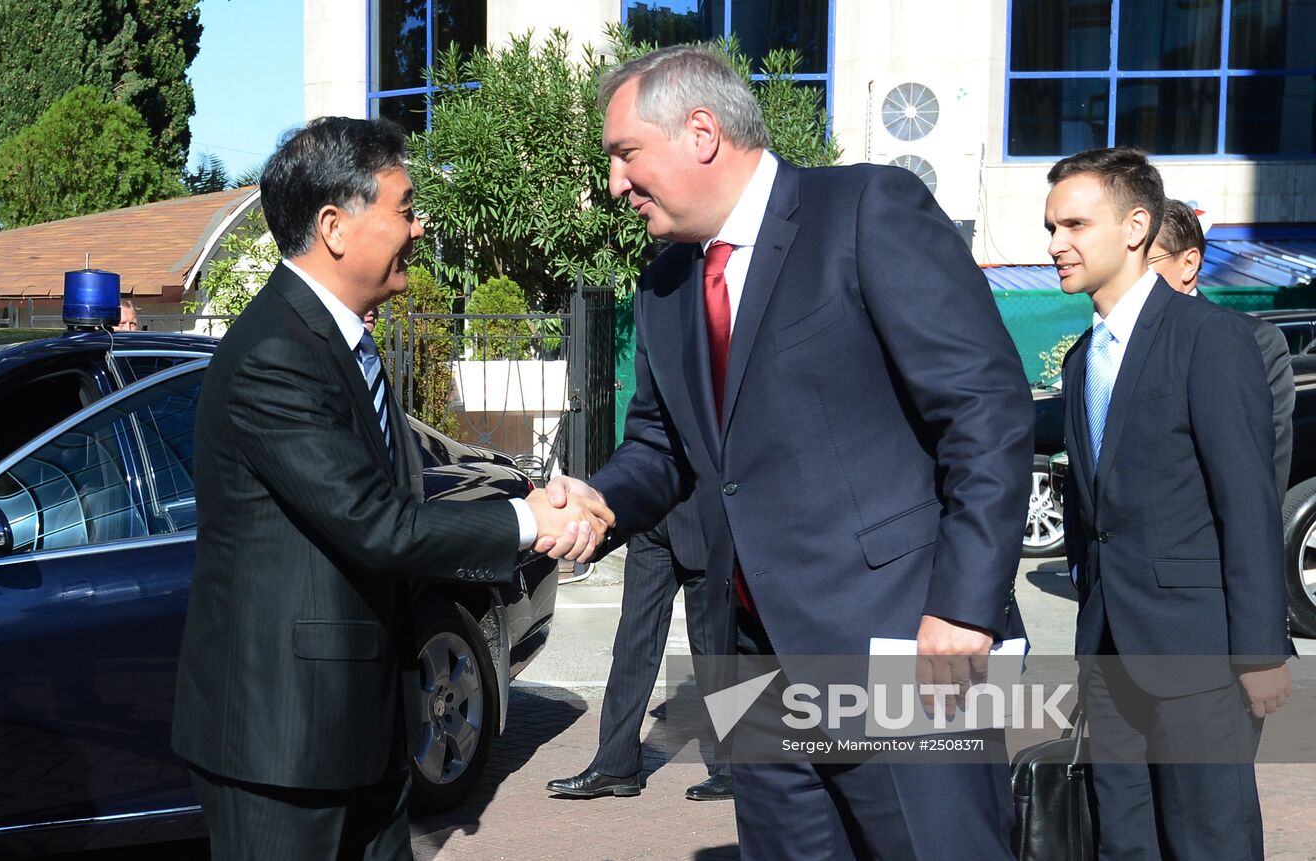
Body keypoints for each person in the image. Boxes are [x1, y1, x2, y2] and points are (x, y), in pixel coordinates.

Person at [544, 45, 1034, 859]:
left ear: (701, 132)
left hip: (912, 649)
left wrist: (964, 608)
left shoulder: (867, 209)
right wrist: (599, 503)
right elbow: (661, 446)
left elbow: (983, 409)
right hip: (756, 663)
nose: (615, 184)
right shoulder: (663, 289)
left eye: (625, 154)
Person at [171, 116, 613, 861]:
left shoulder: (343, 339)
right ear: (335, 226)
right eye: (405, 207)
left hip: (365, 731)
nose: (419, 225)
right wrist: (527, 521)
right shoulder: (275, 352)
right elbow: (374, 523)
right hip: (286, 746)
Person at [1047, 147, 1292, 861]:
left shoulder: (1209, 339)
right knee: (1125, 844)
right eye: (1050, 226)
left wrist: (1257, 650)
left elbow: (1245, 500)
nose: (1055, 243)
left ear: (1135, 227)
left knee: (1209, 842)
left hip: (1201, 657)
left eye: (1073, 224)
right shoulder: (1078, 360)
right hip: (1109, 656)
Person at [546, 498, 733, 801]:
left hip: (707, 521)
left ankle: (735, 769)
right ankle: (615, 765)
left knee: (715, 650)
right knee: (632, 644)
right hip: (650, 522)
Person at [1150, 198, 1294, 493]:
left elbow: (1266, 468)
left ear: (1189, 263)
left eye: (1143, 264)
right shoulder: (1100, 346)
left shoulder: (1256, 341)